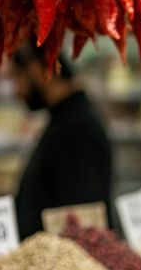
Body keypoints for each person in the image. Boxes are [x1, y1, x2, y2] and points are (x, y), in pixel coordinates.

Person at [9, 43, 113, 238]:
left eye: (16, 77)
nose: (17, 90)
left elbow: (82, 223)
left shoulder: (78, 128)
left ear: (36, 69)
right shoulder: (67, 120)